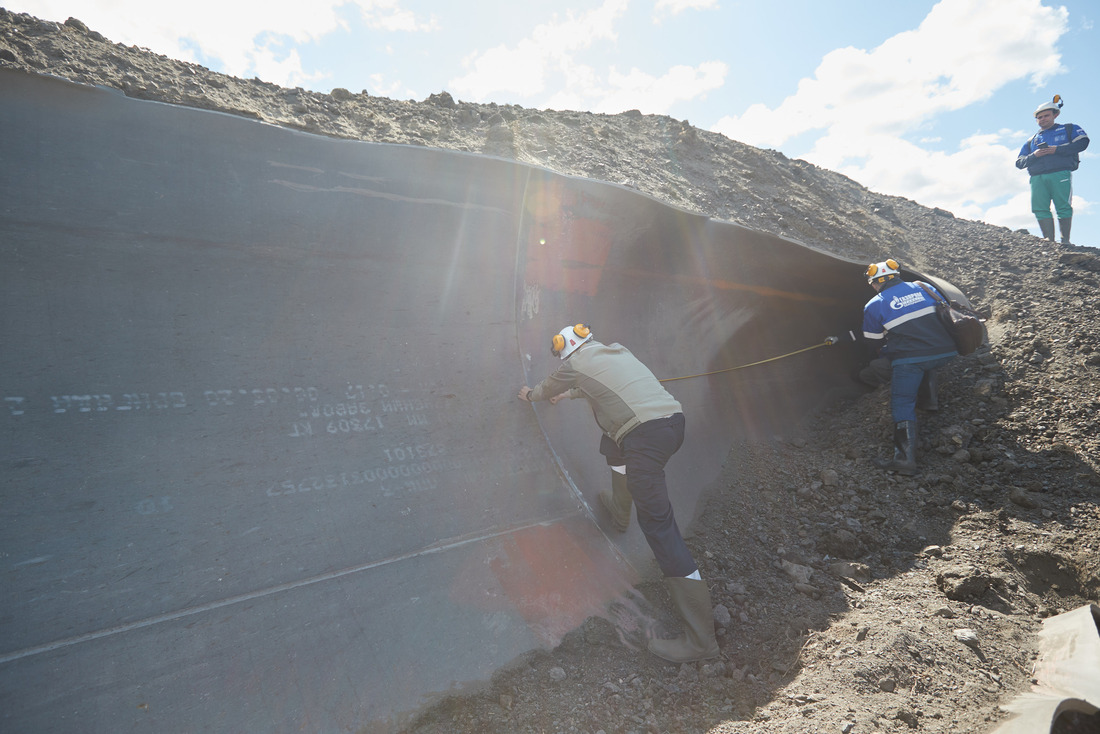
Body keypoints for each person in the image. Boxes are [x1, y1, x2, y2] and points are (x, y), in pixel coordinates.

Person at [517, 323, 718, 663]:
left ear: (564, 350)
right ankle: (619, 511)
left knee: (659, 527)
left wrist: (530, 394)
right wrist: (569, 395)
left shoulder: (572, 366)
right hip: (671, 423)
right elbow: (600, 386)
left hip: (645, 437)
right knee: (613, 443)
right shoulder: (617, 350)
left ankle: (701, 642)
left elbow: (546, 387)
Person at [862, 261, 958, 475]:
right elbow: (946, 311)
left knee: (903, 402)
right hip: (948, 350)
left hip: (911, 360)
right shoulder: (925, 287)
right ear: (897, 275)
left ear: (875, 284)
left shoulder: (875, 304)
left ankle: (904, 459)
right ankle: (929, 401)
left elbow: (873, 340)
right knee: (926, 361)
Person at [1015, 95, 1089, 244]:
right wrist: (1034, 155)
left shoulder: (1069, 128)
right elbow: (1019, 162)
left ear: (1055, 115)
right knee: (1039, 207)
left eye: (1046, 116)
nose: (1042, 119)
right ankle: (1049, 240)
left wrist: (1057, 150)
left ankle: (1065, 240)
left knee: (1063, 205)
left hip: (1060, 173)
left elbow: (1083, 143)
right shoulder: (1032, 140)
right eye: (1039, 117)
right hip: (1037, 177)